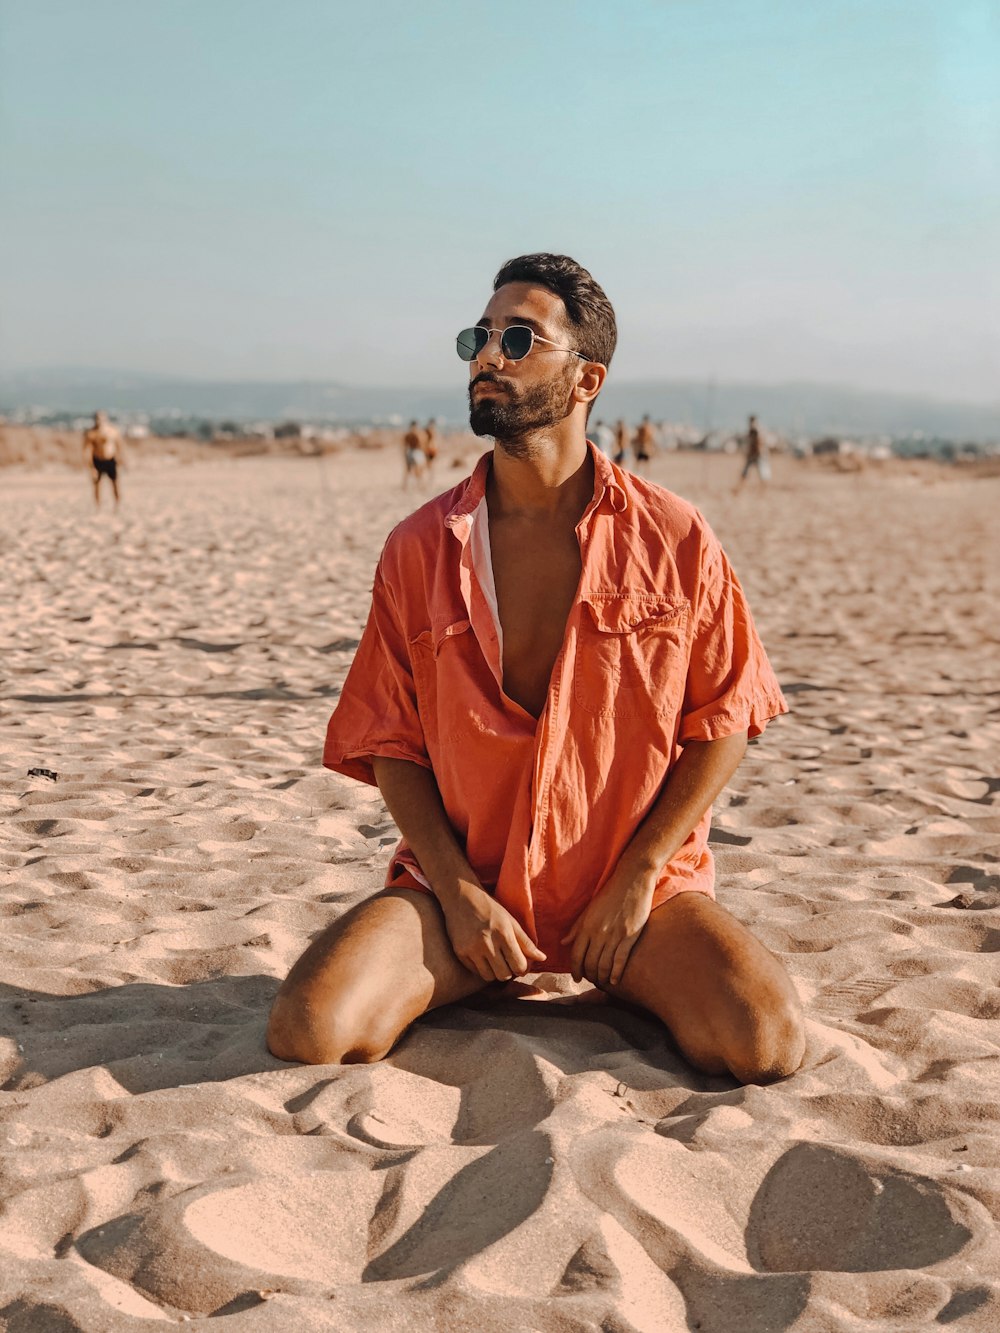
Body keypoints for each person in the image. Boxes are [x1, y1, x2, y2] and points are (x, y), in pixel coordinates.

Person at [268, 253, 804, 1086]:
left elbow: (725, 718)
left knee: (762, 1039)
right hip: (467, 895)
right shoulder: (421, 545)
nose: (488, 356)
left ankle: (626, 979)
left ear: (587, 377)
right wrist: (456, 893)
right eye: (479, 337)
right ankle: (487, 962)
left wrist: (636, 881)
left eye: (518, 338)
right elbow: (389, 741)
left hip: (630, 900)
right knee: (311, 1027)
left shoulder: (675, 536)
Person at [82, 410, 124, 508]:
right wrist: (90, 467)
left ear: (105, 419)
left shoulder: (113, 431)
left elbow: (120, 447)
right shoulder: (91, 433)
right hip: (97, 460)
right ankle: (98, 506)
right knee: (97, 485)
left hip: (110, 460)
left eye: (101, 418)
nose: (99, 420)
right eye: (97, 418)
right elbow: (86, 450)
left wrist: (121, 461)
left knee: (115, 484)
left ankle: (117, 505)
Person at [736, 413, 771, 489]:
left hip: (758, 455)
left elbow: (760, 443)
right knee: (746, 472)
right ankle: (739, 487)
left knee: (762, 473)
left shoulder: (757, 431)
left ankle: (764, 488)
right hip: (752, 455)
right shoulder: (751, 430)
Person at [402, 419, 425, 490]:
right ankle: (419, 485)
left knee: (408, 470)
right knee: (418, 469)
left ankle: (405, 486)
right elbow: (421, 444)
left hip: (410, 452)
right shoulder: (417, 433)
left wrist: (405, 455)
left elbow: (405, 446)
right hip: (416, 452)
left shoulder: (408, 434)